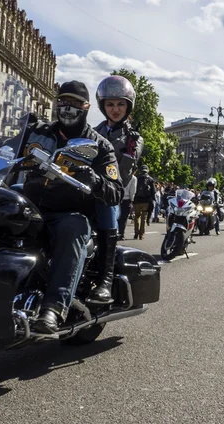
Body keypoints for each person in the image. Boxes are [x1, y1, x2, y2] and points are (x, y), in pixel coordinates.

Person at [18, 80, 123, 332]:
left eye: (75, 104)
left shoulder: (99, 145)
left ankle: (53, 309)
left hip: (66, 213)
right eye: (63, 102)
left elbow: (116, 191)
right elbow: (0, 153)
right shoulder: (37, 132)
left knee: (73, 227)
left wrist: (96, 181)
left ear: (86, 107)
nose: (68, 108)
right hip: (27, 205)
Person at [90, 75, 143, 303]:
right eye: (110, 104)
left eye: (120, 104)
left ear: (128, 105)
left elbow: (121, 174)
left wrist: (99, 183)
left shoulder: (133, 139)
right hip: (83, 189)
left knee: (108, 210)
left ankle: (106, 280)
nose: (115, 109)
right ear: (103, 106)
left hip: (109, 194)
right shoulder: (91, 131)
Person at [133, 165, 156, 239]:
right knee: (144, 218)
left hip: (137, 201)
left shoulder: (137, 178)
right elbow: (154, 191)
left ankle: (136, 232)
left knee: (137, 217)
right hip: (146, 201)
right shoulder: (150, 179)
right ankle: (141, 235)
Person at [118, 174, 137, 241]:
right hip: (126, 199)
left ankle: (115, 233)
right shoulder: (133, 178)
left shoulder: (119, 174)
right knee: (124, 219)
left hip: (117, 198)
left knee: (117, 217)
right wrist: (132, 200)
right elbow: (132, 191)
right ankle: (121, 234)